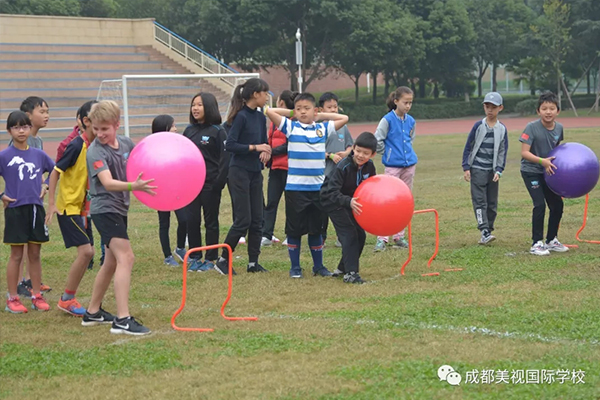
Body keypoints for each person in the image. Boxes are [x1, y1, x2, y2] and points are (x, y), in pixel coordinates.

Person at [82, 100, 156, 335]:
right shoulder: (95, 150)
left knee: (112, 261)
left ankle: (92, 312)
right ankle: (122, 319)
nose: (100, 134)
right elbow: (107, 182)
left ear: (116, 125)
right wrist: (134, 186)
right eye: (96, 129)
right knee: (127, 257)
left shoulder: (125, 143)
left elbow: (143, 164)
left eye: (105, 129)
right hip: (104, 210)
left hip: (120, 209)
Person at [266, 92, 349, 279]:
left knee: (316, 230)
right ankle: (295, 267)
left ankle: (318, 266)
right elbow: (269, 111)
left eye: (307, 108)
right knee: (294, 231)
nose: (302, 112)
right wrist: (291, 112)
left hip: (317, 189)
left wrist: (321, 116)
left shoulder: (322, 129)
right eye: (299, 109)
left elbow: (344, 118)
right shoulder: (291, 127)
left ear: (315, 110)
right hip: (296, 190)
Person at [45, 100, 99, 316]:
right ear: (86, 121)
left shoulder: (94, 146)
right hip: (68, 208)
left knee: (88, 253)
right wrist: (51, 204)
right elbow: (56, 171)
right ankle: (67, 299)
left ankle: (69, 297)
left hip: (82, 208)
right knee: (86, 252)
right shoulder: (76, 145)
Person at [214, 78, 271, 275]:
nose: (267, 97)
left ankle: (253, 263)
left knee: (258, 219)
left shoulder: (261, 117)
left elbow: (264, 142)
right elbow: (230, 145)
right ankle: (223, 260)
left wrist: (266, 151)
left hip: (256, 172)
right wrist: (255, 148)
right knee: (243, 220)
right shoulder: (240, 117)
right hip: (238, 172)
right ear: (256, 94)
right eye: (265, 93)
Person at [1, 111, 54, 313]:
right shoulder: (4, 156)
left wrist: (46, 186)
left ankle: (36, 295)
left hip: (35, 209)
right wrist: (1, 196)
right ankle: (13, 298)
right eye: (16, 127)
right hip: (15, 209)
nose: (21, 130)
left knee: (35, 253)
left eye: (24, 126)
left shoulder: (39, 155)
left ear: (30, 129)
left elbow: (55, 171)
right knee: (16, 254)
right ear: (9, 131)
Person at [320, 132, 377, 284]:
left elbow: (370, 189)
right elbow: (332, 192)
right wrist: (348, 201)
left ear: (373, 154)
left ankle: (342, 268)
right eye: (358, 151)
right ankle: (351, 274)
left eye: (366, 153)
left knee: (360, 235)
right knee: (349, 234)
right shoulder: (343, 166)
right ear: (353, 148)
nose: (360, 155)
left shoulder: (370, 167)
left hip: (350, 203)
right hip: (332, 201)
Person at [10, 97, 52, 297]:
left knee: (34, 244)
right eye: (41, 112)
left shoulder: (39, 141)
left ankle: (29, 279)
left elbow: (45, 169)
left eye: (47, 112)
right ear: (28, 116)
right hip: (20, 203)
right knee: (20, 246)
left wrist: (44, 185)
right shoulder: (20, 141)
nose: (46, 116)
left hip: (36, 201)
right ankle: (19, 282)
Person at [182, 93, 228, 272]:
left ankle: (210, 258)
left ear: (209, 107)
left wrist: (218, 183)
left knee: (211, 222)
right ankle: (194, 256)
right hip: (191, 186)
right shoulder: (188, 131)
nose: (195, 108)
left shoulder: (218, 131)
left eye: (199, 105)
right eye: (193, 105)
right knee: (191, 220)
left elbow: (225, 160)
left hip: (210, 185)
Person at [519, 91, 569, 256]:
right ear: (538, 111)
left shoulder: (559, 128)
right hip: (531, 171)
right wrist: (542, 161)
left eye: (552, 108)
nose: (548, 112)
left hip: (548, 172)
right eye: (544, 108)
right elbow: (524, 153)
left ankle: (551, 240)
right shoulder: (531, 127)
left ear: (558, 111)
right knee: (539, 204)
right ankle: (536, 243)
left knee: (557, 205)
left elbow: (557, 150)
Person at [373, 86, 417, 251]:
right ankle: (382, 238)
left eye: (410, 103)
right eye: (405, 102)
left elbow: (410, 139)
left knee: (404, 202)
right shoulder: (387, 120)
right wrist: (388, 154)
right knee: (388, 202)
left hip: (409, 166)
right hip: (392, 167)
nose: (408, 106)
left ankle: (399, 236)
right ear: (396, 101)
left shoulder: (411, 121)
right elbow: (378, 139)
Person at [461, 92, 508, 245]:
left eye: (493, 107)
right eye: (487, 106)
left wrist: (499, 170)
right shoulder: (478, 126)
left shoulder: (502, 129)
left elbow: (502, 151)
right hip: (477, 170)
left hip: (492, 172)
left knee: (492, 204)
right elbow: (468, 146)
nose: (490, 110)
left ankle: (489, 228)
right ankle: (484, 230)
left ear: (500, 108)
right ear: (484, 107)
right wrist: (466, 167)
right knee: (480, 202)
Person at [151, 114, 188, 267]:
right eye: (173, 126)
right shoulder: (152, 148)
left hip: (175, 189)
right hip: (160, 191)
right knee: (164, 223)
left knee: (184, 219)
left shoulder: (177, 145)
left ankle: (180, 248)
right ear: (164, 128)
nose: (176, 129)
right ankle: (167, 256)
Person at [261, 90, 296, 247]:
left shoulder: (294, 120)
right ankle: (266, 235)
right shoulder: (273, 121)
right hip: (275, 167)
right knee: (272, 202)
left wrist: (270, 152)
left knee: (291, 203)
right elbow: (269, 139)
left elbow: (289, 145)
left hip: (290, 168)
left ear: (281, 103)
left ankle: (291, 234)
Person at [319, 92, 353, 247]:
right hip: (323, 175)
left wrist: (346, 153)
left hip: (340, 176)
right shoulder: (319, 128)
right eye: (329, 107)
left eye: (335, 106)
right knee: (322, 208)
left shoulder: (343, 127)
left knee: (341, 206)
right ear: (321, 109)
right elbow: (314, 150)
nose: (333, 110)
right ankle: (321, 237)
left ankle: (342, 237)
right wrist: (330, 156)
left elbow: (350, 145)